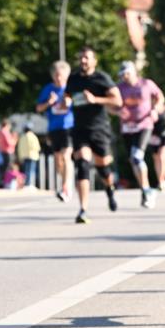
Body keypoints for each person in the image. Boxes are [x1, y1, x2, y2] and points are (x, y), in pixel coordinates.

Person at [64, 47, 122, 224]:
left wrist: (95, 99)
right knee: (82, 163)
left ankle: (110, 188)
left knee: (103, 167)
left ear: (94, 61)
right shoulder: (73, 79)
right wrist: (65, 101)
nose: (83, 61)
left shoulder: (102, 78)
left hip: (99, 129)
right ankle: (83, 209)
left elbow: (118, 101)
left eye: (87, 58)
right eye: (81, 58)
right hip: (79, 129)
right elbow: (67, 96)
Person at [116, 61, 164, 209]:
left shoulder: (146, 84)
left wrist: (156, 109)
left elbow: (160, 97)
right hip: (127, 127)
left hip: (144, 124)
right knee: (133, 160)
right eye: (122, 74)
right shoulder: (119, 88)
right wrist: (117, 111)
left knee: (137, 156)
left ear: (134, 72)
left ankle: (147, 190)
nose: (125, 76)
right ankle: (145, 189)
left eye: (127, 73)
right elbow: (110, 105)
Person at [36, 60, 74, 201]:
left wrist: (71, 103)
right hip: (53, 128)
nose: (58, 78)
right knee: (58, 162)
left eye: (61, 75)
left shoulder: (70, 89)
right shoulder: (48, 89)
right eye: (56, 75)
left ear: (66, 75)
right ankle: (66, 180)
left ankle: (66, 187)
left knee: (66, 156)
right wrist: (49, 103)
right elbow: (38, 108)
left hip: (68, 127)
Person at [17, 123, 41, 188]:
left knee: (26, 170)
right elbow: (37, 147)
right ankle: (29, 184)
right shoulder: (33, 136)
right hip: (32, 156)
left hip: (24, 156)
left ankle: (26, 183)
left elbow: (19, 148)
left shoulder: (22, 137)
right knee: (31, 170)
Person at [0, 119, 18, 185]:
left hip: (2, 151)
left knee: (4, 167)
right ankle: (6, 182)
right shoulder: (5, 132)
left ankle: (3, 182)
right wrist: (15, 139)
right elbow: (10, 143)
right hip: (8, 152)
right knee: (7, 167)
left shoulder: (0, 132)